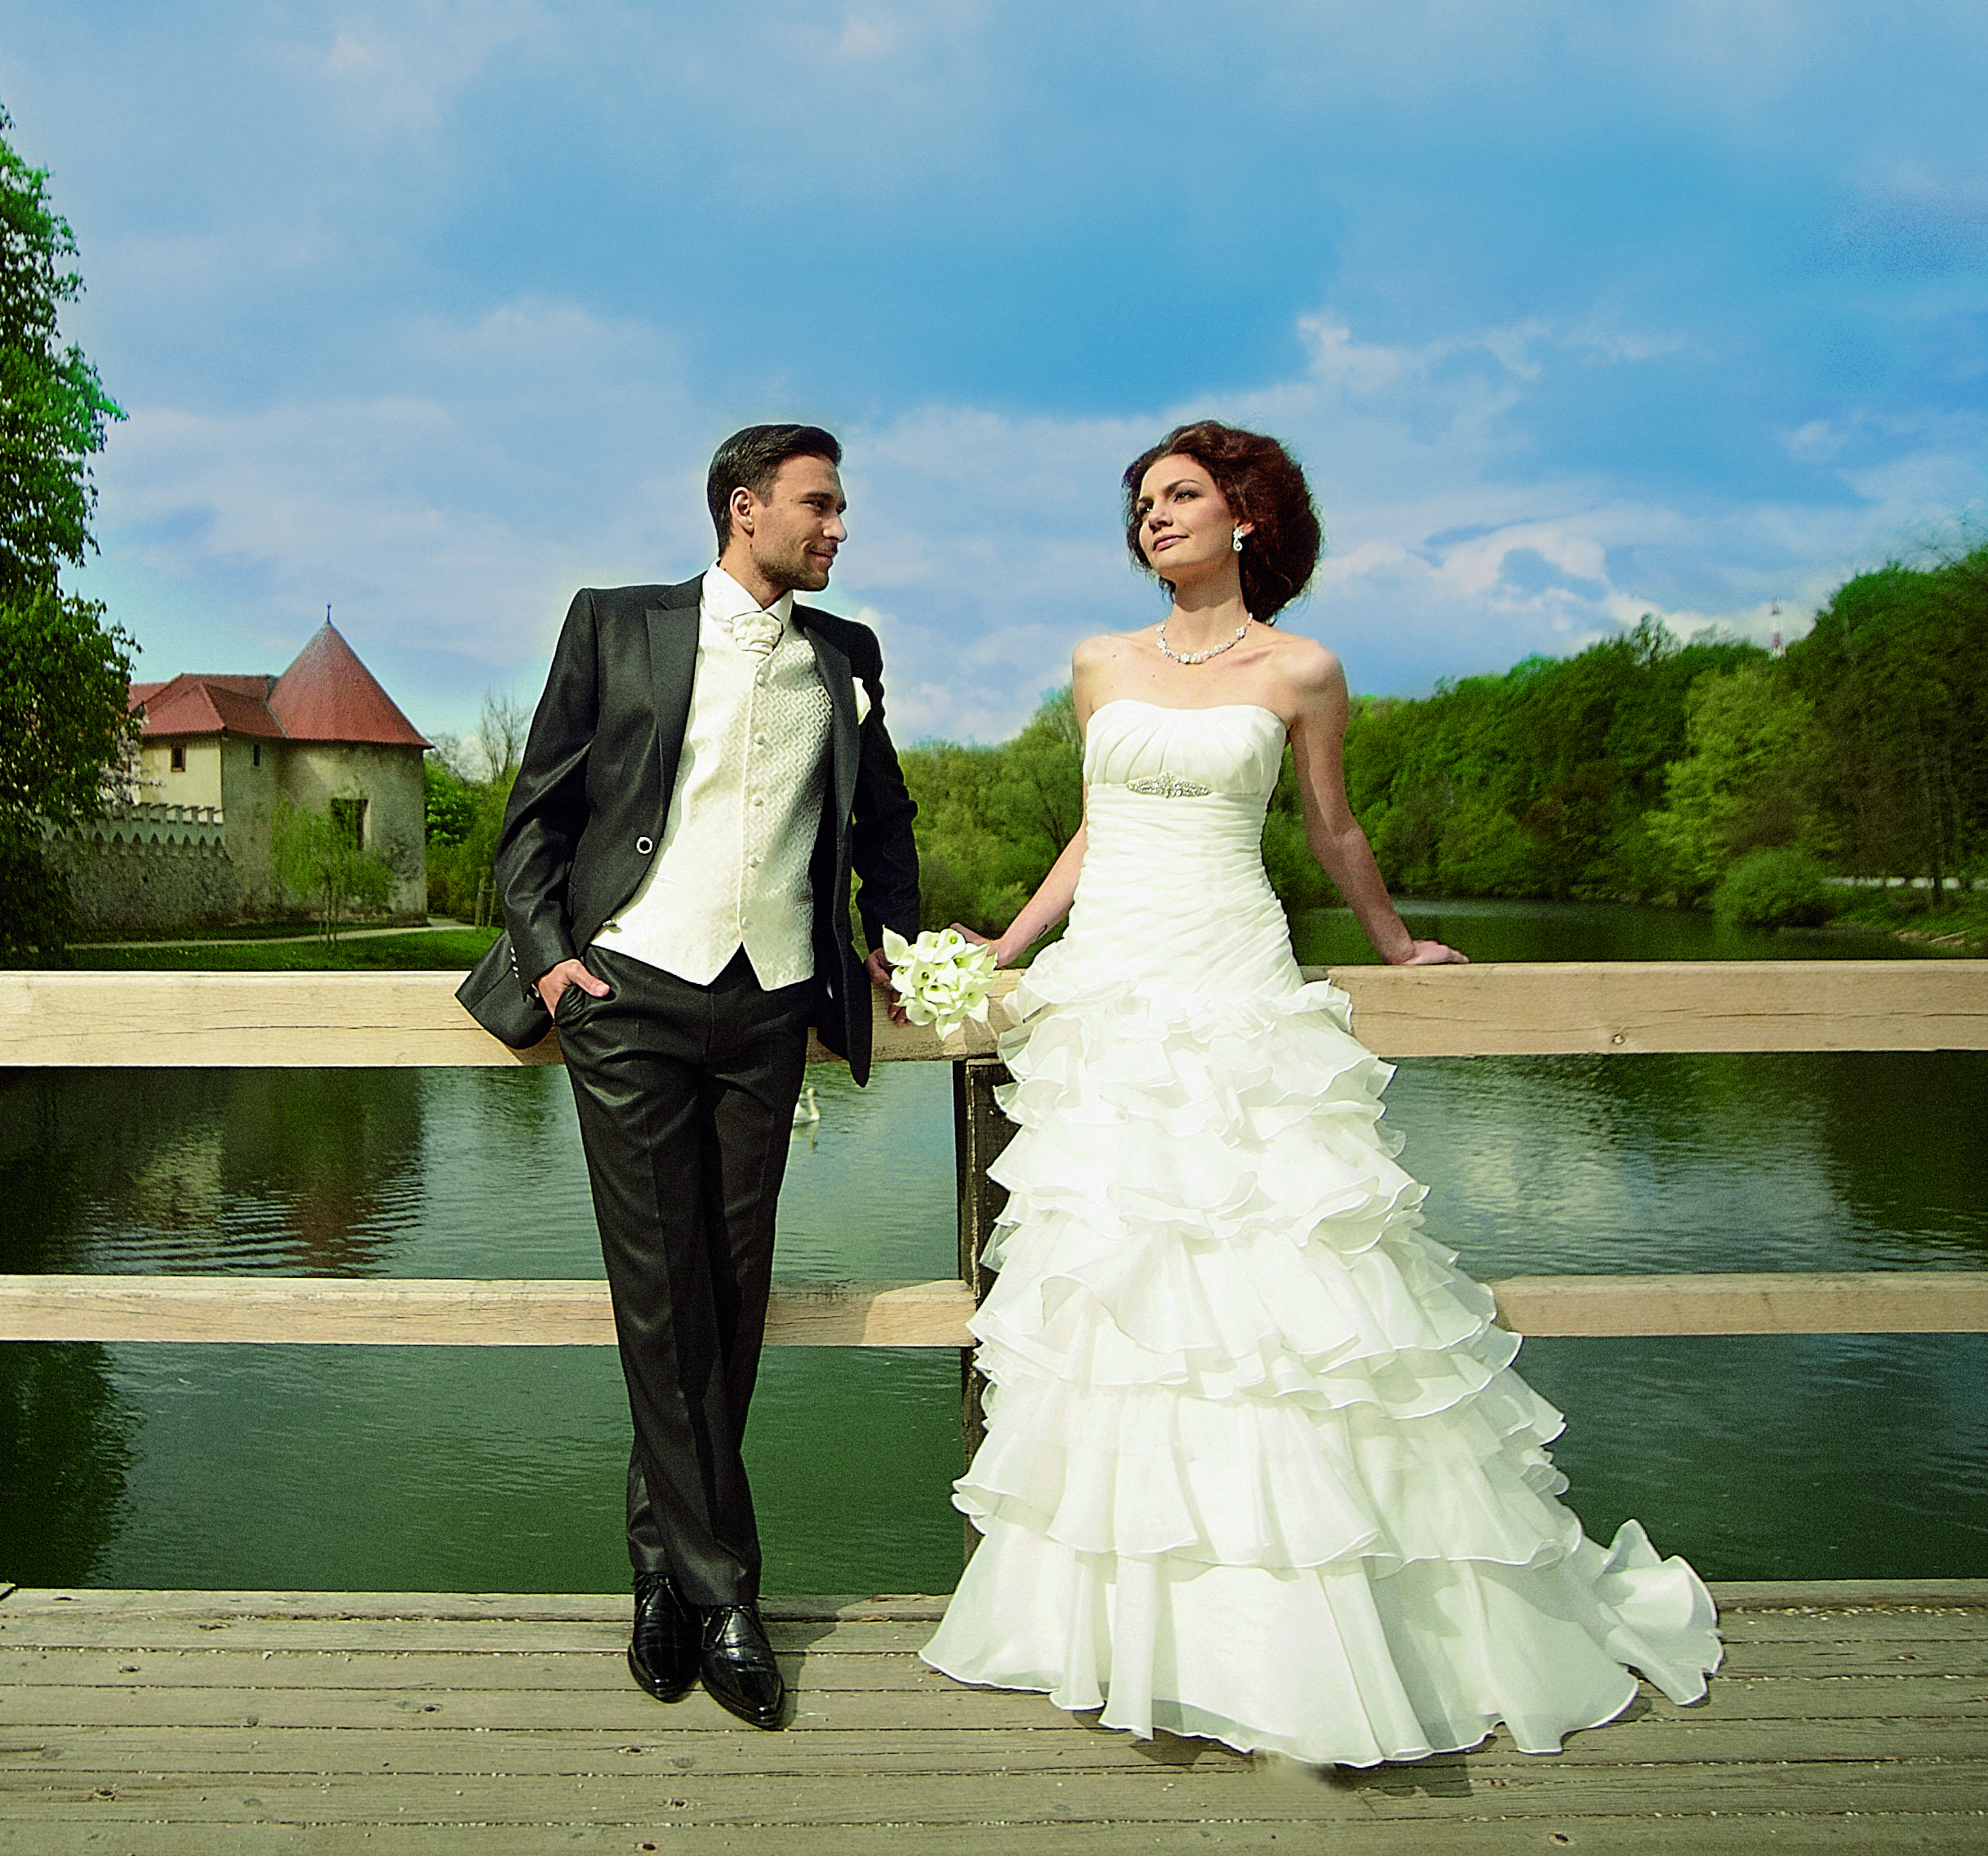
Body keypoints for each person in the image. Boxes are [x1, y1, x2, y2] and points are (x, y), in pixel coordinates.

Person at [921, 421, 1720, 1766]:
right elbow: (1094, 826)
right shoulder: (1098, 663)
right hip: (1113, 989)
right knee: (1129, 1294)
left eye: (1180, 496)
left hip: (1233, 978)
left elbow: (1331, 824)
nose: (1153, 518)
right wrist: (1002, 948)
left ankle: (1317, 1628)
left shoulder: (1302, 668)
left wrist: (1397, 944)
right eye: (1142, 503)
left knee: (1277, 1302)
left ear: (1248, 518)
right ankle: (1128, 1629)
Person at [457, 423, 919, 1730]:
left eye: (841, 509)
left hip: (771, 1003)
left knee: (730, 1288)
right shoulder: (616, 624)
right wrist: (553, 963)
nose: (839, 529)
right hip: (631, 998)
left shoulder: (847, 657)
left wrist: (892, 938)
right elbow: (535, 812)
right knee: (661, 1296)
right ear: (744, 508)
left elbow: (881, 818)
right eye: (820, 506)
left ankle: (658, 1568)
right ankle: (728, 1598)